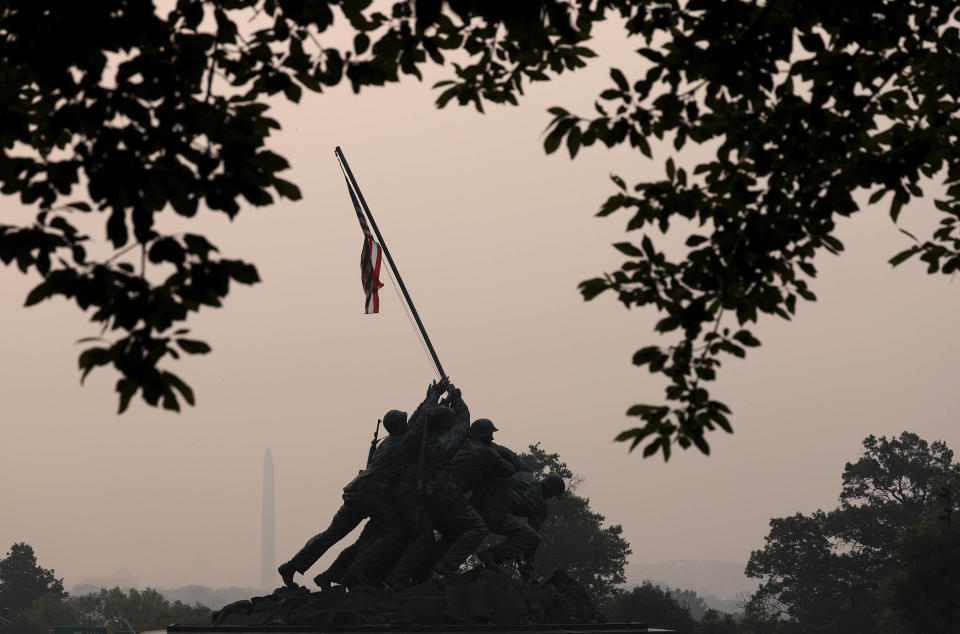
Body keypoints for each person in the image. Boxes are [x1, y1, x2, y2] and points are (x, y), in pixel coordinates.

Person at [277, 381, 445, 587]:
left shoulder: (389, 441)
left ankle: (291, 566)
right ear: (400, 426)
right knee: (396, 531)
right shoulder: (403, 443)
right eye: (404, 421)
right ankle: (361, 571)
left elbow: (415, 420)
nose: (407, 422)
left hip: (358, 489)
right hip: (371, 494)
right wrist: (435, 394)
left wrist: (429, 396)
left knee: (331, 534)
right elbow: (420, 423)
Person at [472, 472, 565, 581]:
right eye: (553, 495)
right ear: (551, 491)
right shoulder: (541, 506)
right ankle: (491, 556)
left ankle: (492, 557)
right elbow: (532, 537)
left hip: (478, 502)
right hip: (492, 512)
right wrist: (529, 566)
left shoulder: (526, 476)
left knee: (525, 534)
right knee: (531, 537)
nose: (550, 497)